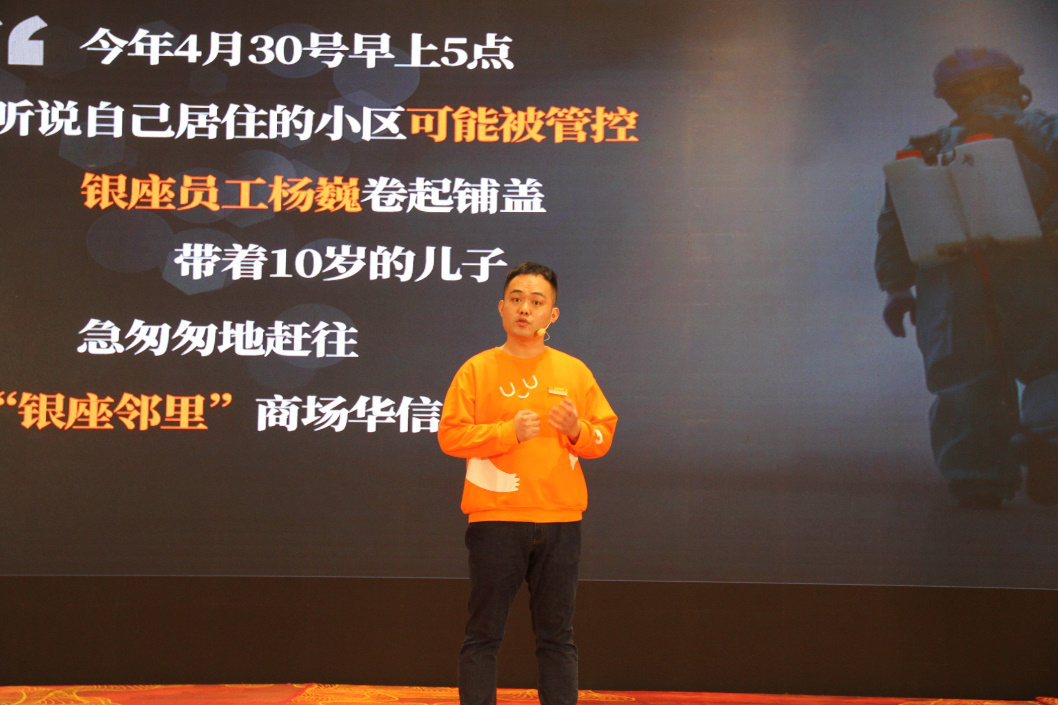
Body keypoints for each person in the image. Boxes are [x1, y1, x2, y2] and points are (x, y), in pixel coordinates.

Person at [876, 47, 1058, 508]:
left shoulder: (924, 150)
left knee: (964, 380)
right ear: (1014, 84)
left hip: (952, 289)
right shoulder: (1045, 132)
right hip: (1038, 276)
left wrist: (896, 290)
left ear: (950, 97)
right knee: (1051, 366)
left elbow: (895, 226)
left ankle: (977, 479)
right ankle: (1049, 442)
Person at [438, 261, 618, 705]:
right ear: (501, 307)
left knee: (557, 637)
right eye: (516, 299)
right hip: (495, 520)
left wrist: (577, 430)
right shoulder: (476, 369)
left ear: (552, 315)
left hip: (560, 520)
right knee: (483, 635)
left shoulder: (574, 372)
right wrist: (506, 432)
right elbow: (450, 436)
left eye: (536, 302)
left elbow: (602, 437)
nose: (524, 309)